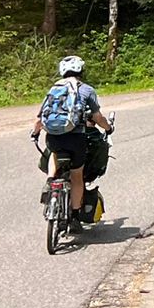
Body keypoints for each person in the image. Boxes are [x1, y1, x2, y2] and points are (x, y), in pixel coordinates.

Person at [31, 55, 112, 228]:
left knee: (53, 152)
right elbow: (97, 117)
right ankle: (75, 217)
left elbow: (40, 118)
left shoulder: (54, 89)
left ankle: (50, 180)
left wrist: (35, 133)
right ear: (81, 71)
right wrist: (108, 128)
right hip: (76, 139)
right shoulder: (87, 90)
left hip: (53, 138)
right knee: (77, 177)